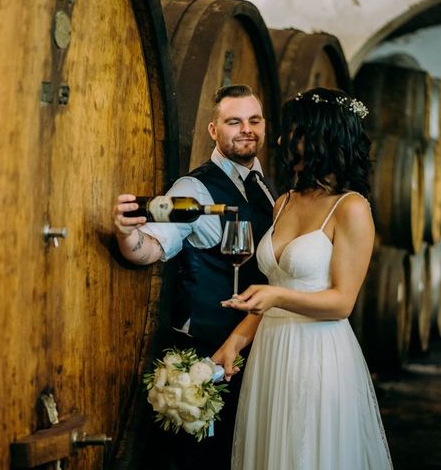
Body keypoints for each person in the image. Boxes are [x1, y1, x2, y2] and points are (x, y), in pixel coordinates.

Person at [212, 87, 393, 469]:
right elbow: (274, 292)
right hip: (271, 355)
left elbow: (341, 303)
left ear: (321, 137)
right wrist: (234, 343)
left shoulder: (351, 207)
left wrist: (275, 298)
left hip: (319, 356)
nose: (280, 139)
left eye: (293, 131)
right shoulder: (285, 201)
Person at [113, 84, 277, 469]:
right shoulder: (193, 188)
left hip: (257, 347)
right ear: (213, 130)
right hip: (209, 352)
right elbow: (152, 246)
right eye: (233, 121)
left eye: (253, 120)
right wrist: (126, 234)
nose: (246, 129)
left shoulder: (267, 187)